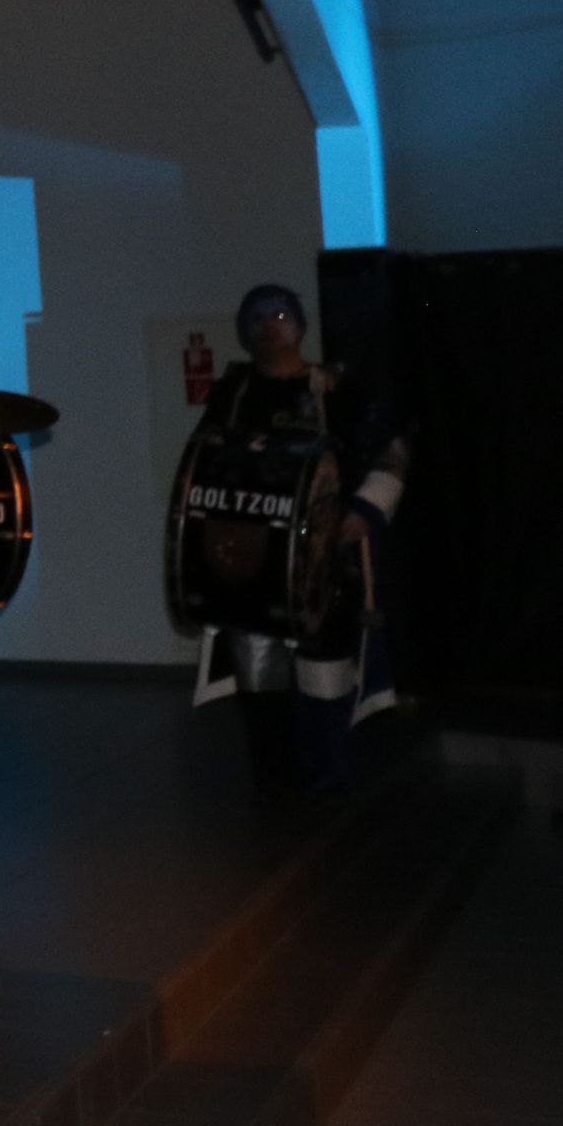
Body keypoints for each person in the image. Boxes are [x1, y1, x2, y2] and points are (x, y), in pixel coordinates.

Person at [188, 282, 407, 796]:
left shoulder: (336, 390)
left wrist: (363, 513)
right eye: (259, 317)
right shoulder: (234, 394)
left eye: (281, 315)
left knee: (325, 669)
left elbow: (392, 453)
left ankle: (326, 776)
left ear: (300, 325)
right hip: (251, 559)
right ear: (246, 330)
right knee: (259, 672)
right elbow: (206, 459)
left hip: (323, 557)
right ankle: (272, 779)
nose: (271, 325)